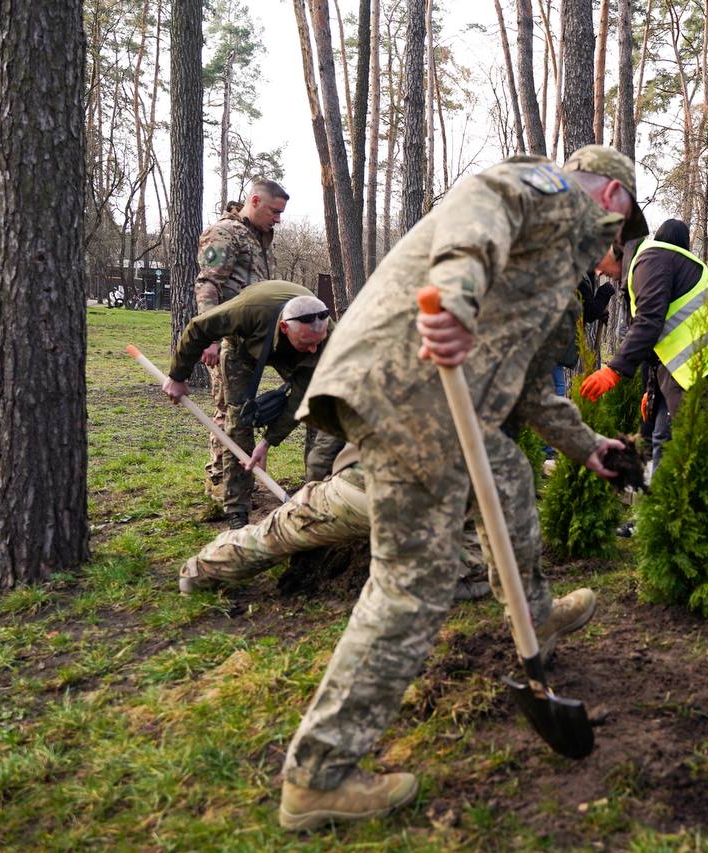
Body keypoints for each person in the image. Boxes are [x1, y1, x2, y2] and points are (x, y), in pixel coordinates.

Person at [272, 145, 646, 832]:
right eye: (620, 233)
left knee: (507, 473)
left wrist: (592, 449)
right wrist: (456, 297)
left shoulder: (548, 277)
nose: (612, 249)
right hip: (405, 384)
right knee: (415, 580)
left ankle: (533, 615)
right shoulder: (545, 189)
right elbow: (481, 205)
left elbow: (533, 393)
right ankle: (318, 773)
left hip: (440, 404)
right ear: (614, 198)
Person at [178, 444, 491, 599]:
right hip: (446, 499)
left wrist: (315, 490)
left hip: (364, 489)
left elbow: (328, 443)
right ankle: (464, 574)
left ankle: (199, 571)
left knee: (276, 533)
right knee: (479, 546)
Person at [580, 218, 708, 470]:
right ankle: (663, 505)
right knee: (663, 438)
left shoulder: (650, 261)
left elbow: (649, 322)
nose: (598, 272)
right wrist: (652, 390)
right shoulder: (645, 265)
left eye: (596, 262)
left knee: (683, 448)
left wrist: (614, 370)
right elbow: (661, 338)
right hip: (691, 370)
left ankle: (677, 505)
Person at [162, 281, 341, 529]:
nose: (313, 348)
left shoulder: (324, 338)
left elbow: (301, 399)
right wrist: (177, 376)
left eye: (317, 343)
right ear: (285, 327)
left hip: (290, 353)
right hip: (242, 348)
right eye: (307, 342)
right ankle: (237, 508)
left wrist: (268, 441)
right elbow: (198, 328)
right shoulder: (248, 310)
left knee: (317, 411)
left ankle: (316, 497)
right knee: (238, 421)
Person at [197, 180, 289, 502]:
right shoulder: (225, 233)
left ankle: (224, 480)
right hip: (226, 337)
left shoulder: (260, 238)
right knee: (228, 412)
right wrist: (209, 337)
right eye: (274, 211)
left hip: (253, 340)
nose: (278, 218)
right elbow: (208, 284)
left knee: (234, 409)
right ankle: (222, 484)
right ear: (254, 200)